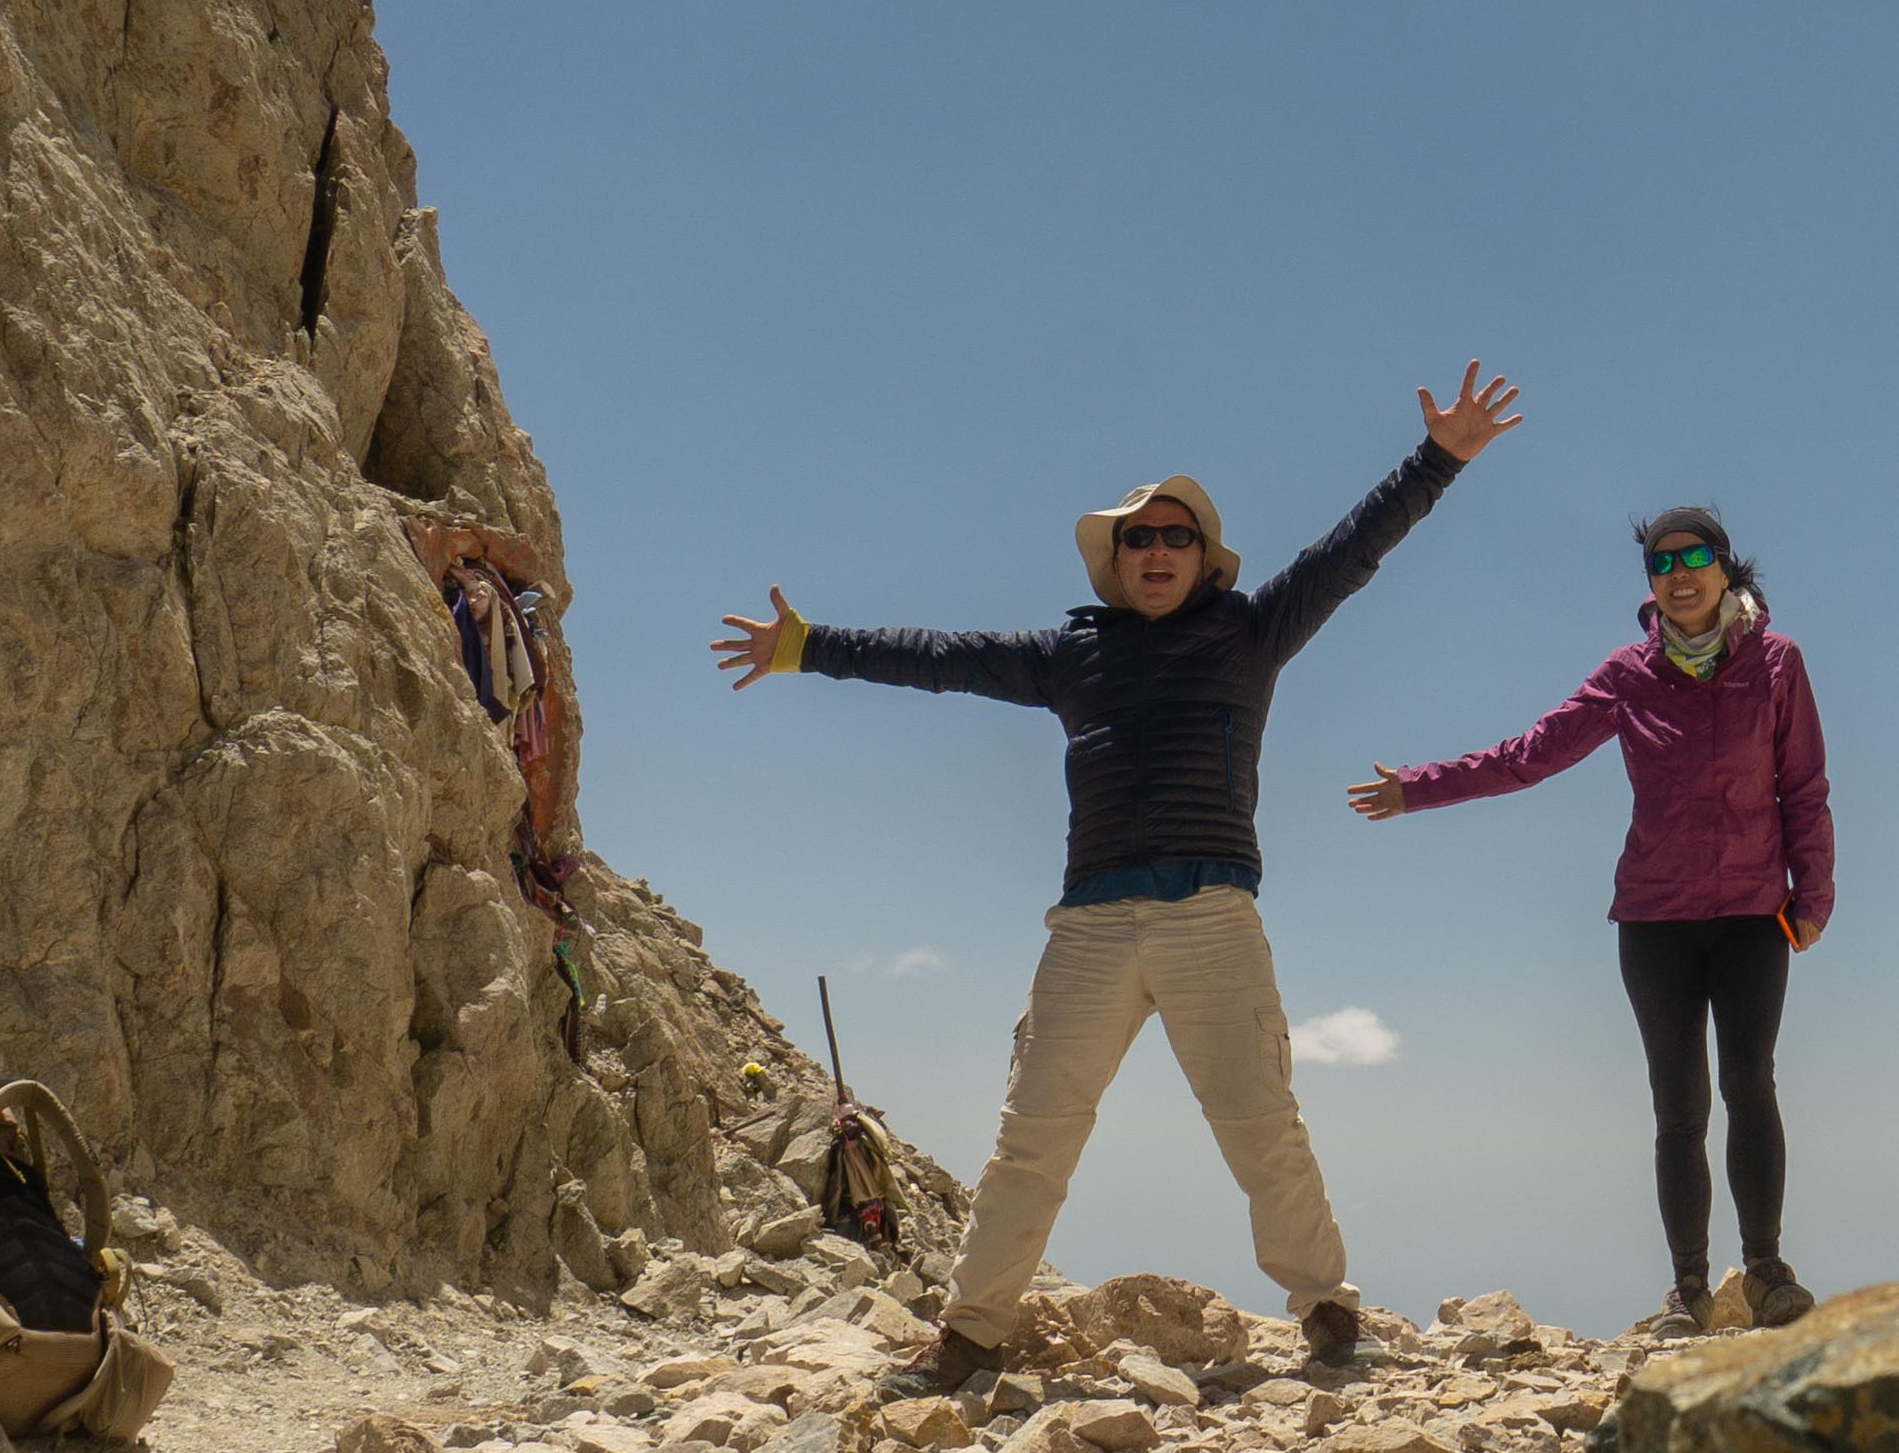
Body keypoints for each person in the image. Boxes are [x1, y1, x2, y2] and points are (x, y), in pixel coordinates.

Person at [713, 367, 1518, 1391]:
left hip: (1212, 915)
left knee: (1260, 1123)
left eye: (1176, 536)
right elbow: (940, 657)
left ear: (1205, 558)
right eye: (1138, 538)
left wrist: (1439, 457)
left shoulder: (1252, 630)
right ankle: (969, 1335)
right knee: (1032, 1137)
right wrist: (807, 646)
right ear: (1115, 559)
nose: (1157, 552)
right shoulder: (1072, 654)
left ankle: (1327, 1310)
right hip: (1090, 925)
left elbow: (1351, 550)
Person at [1348, 506, 1829, 1338]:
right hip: (1654, 919)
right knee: (1678, 1106)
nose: (1679, 575)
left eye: (1695, 557)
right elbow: (1531, 755)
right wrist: (1420, 786)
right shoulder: (1629, 674)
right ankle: (1688, 1290)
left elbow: (1804, 787)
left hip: (1756, 913)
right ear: (1651, 583)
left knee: (1751, 1085)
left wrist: (1812, 897)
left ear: (1727, 569)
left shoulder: (1777, 664)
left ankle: (1766, 1271)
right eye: (1661, 563)